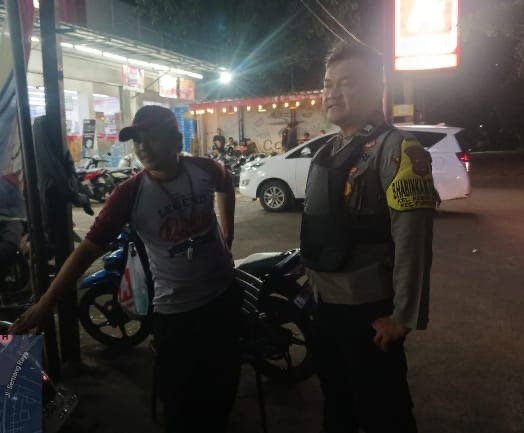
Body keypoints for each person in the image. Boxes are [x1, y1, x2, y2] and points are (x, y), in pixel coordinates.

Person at [9, 105, 240, 433]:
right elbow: (87, 250)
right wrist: (46, 304)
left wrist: (228, 233)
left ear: (177, 140)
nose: (143, 146)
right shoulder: (129, 194)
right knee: (181, 406)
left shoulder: (203, 169)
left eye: (152, 137)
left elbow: (225, 182)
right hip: (177, 315)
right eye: (137, 140)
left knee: (223, 387)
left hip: (224, 298)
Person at [300, 42, 437, 433]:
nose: (332, 93)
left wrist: (403, 318)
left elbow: (413, 240)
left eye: (348, 83)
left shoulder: (398, 150)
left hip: (367, 312)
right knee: (337, 403)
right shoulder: (327, 151)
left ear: (377, 89)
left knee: (384, 413)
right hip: (324, 305)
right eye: (328, 84)